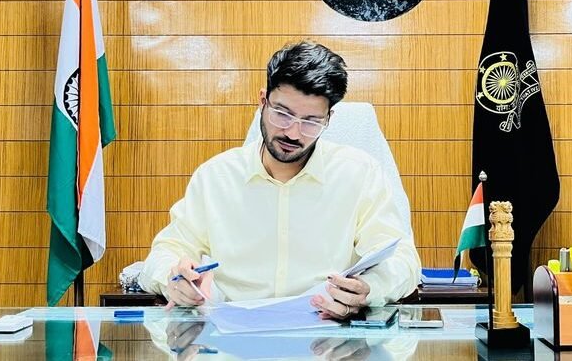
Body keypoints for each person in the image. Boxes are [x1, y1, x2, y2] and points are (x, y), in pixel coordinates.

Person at [139, 40, 421, 319]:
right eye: (283, 114)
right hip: (236, 336)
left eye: (311, 121)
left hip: (327, 335)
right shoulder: (215, 177)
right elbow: (165, 253)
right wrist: (173, 278)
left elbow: (403, 260)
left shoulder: (359, 174)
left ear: (328, 119)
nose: (293, 133)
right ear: (263, 101)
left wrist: (369, 289)